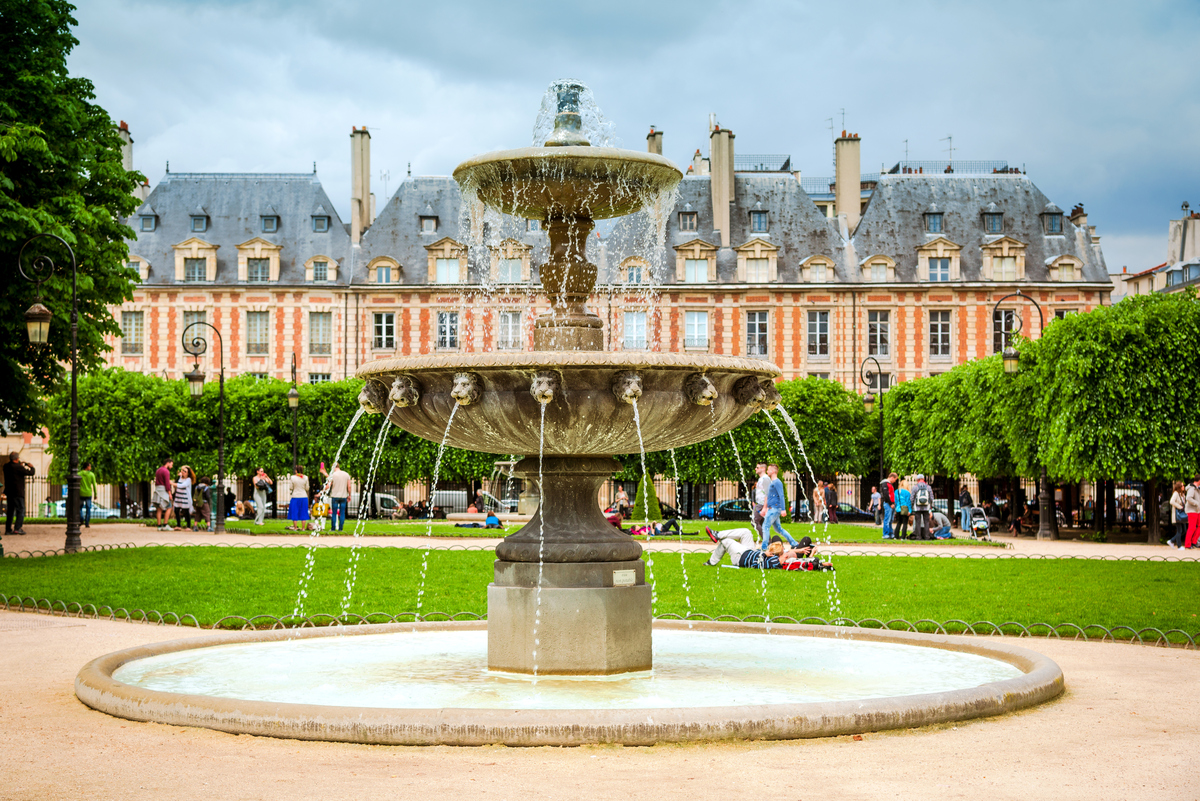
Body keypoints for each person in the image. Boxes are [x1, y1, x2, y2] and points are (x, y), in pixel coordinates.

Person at [763, 464, 799, 548]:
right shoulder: (773, 482)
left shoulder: (777, 482)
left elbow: (781, 495)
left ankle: (764, 547)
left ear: (772, 471)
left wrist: (783, 509)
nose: (767, 471)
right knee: (778, 529)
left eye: (768, 470)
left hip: (775, 509)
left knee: (765, 526)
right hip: (773, 508)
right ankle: (793, 543)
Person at [3, 453, 35, 536]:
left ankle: (8, 529)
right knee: (20, 510)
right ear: (17, 458)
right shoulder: (18, 468)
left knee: (10, 511)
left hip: (9, 492)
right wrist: (31, 466)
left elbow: (13, 470)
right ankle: (17, 528)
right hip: (18, 492)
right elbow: (31, 473)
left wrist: (19, 465)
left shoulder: (6, 467)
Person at [321, 463, 352, 532]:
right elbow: (349, 486)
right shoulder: (346, 474)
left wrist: (322, 491)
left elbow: (328, 485)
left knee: (334, 513)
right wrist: (349, 495)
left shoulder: (333, 475)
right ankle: (340, 528)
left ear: (333, 467)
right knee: (342, 513)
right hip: (343, 496)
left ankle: (333, 528)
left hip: (335, 496)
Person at [287, 466, 310, 531]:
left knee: (294, 512)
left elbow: (291, 487)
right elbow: (307, 488)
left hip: (295, 496)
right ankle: (303, 528)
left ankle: (295, 527)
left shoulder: (292, 477)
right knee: (304, 512)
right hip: (304, 496)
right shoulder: (305, 478)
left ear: (296, 470)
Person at [153, 459, 174, 531]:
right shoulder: (166, 471)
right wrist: (169, 493)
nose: (172, 466)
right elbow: (167, 483)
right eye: (171, 464)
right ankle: (165, 524)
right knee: (169, 507)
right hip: (163, 490)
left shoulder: (158, 470)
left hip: (157, 489)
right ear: (168, 463)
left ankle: (159, 526)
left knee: (159, 509)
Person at [910, 474, 933, 540]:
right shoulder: (928, 487)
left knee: (918, 522)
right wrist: (930, 506)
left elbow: (912, 498)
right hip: (926, 507)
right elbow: (931, 498)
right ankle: (927, 536)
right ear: (923, 479)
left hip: (917, 507)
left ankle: (918, 536)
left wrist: (912, 506)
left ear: (917, 480)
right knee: (926, 522)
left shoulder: (915, 487)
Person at [172, 465, 195, 531]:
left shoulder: (188, 479)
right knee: (176, 510)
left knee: (186, 511)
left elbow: (182, 485)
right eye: (182, 471)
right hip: (178, 497)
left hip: (185, 498)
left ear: (188, 473)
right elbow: (176, 485)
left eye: (185, 471)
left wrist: (172, 484)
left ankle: (188, 526)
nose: (183, 472)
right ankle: (178, 525)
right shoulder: (180, 478)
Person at [752, 463, 769, 541]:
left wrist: (765, 507)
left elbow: (768, 494)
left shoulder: (765, 479)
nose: (756, 469)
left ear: (763, 469)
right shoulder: (761, 479)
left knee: (754, 521)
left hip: (761, 504)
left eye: (757, 467)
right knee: (762, 525)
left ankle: (767, 541)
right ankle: (768, 542)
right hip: (760, 504)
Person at [1168, 481, 1187, 549]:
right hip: (1178, 514)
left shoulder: (1182, 494)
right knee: (1179, 530)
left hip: (1182, 514)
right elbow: (1171, 501)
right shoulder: (1176, 493)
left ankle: (1172, 540)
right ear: (1179, 487)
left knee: (1184, 530)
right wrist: (1179, 506)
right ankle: (1179, 546)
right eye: (1182, 486)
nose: (1183, 487)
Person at [78, 461, 97, 528]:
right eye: (90, 466)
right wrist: (95, 494)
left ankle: (81, 519)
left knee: (79, 507)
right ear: (87, 467)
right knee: (88, 508)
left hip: (81, 493)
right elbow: (94, 485)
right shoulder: (91, 474)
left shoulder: (79, 474)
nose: (90, 467)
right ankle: (87, 522)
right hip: (88, 493)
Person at [1185, 475, 1200, 550]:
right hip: (1192, 510)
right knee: (1192, 527)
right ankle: (1188, 544)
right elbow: (1188, 498)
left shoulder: (1197, 488)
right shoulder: (1192, 488)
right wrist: (1196, 503)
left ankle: (1194, 541)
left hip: (1197, 510)